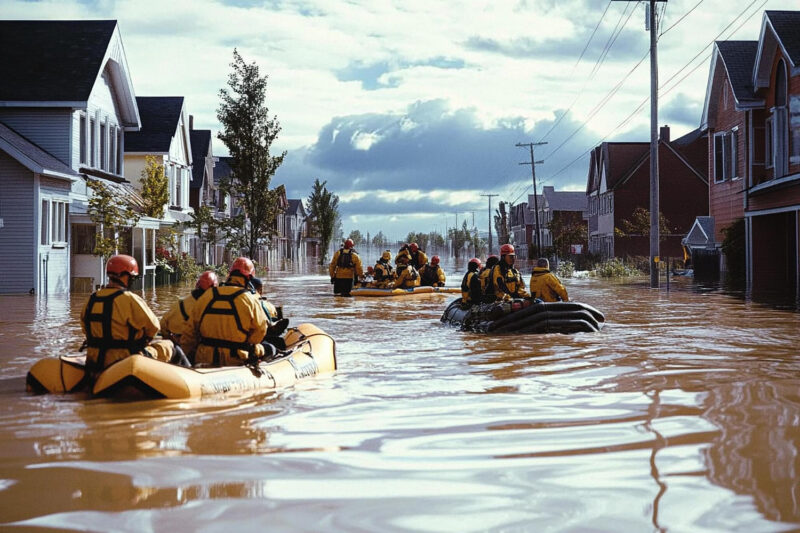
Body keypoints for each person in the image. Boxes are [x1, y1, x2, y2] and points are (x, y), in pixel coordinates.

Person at [81, 254, 179, 374]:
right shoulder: (130, 299)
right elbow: (154, 327)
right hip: (125, 361)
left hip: (95, 361)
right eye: (132, 278)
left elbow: (85, 329)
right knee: (169, 345)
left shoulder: (91, 299)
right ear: (125, 276)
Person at [181, 256, 268, 367]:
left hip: (204, 358)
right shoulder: (251, 300)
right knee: (266, 348)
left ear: (230, 275)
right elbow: (260, 332)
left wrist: (188, 357)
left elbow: (190, 332)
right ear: (249, 278)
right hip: (236, 359)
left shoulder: (207, 295)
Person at [160, 270, 218, 345]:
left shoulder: (180, 304)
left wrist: (169, 339)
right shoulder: (214, 308)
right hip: (200, 349)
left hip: (178, 345)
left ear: (197, 285)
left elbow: (163, 324)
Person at [250, 277, 290, 353]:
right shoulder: (268, 306)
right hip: (260, 343)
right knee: (277, 344)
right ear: (260, 290)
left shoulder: (241, 301)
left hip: (243, 343)